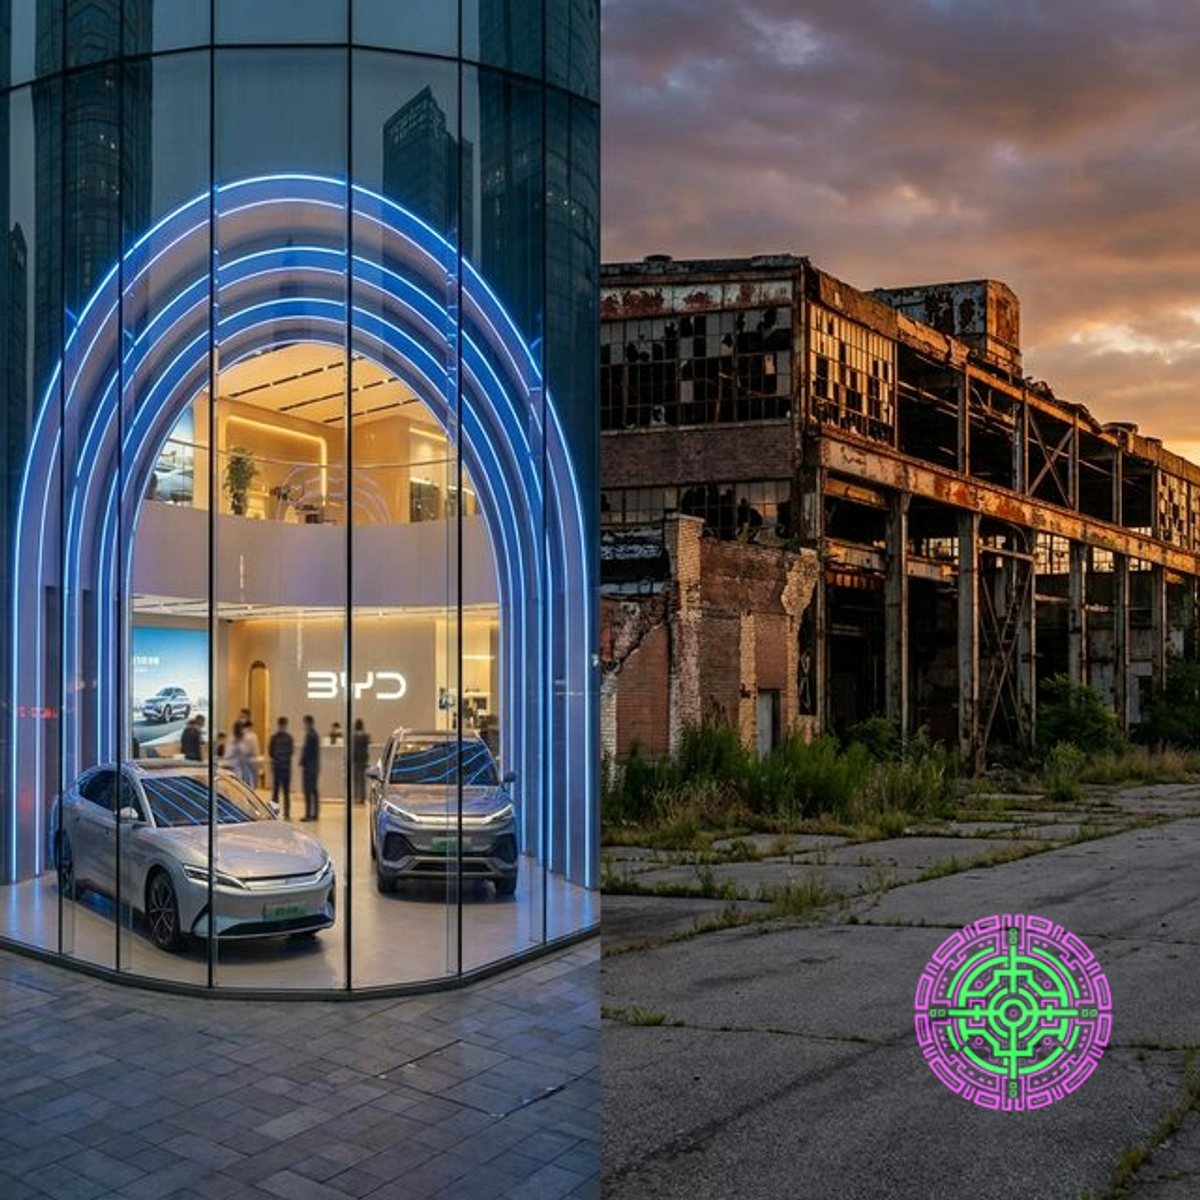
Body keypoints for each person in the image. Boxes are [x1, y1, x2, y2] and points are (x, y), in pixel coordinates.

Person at [268, 716, 294, 819]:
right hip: (286, 768)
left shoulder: (274, 738)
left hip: (277, 767)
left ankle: (274, 813)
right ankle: (287, 814)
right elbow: (291, 752)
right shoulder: (289, 738)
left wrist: (276, 758)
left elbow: (270, 752)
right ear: (286, 725)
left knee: (275, 792)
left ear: (278, 725)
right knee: (286, 792)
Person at [300, 714, 320, 821]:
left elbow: (307, 751)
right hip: (314, 767)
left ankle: (308, 814)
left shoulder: (310, 735)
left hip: (309, 768)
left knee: (308, 791)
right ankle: (315, 813)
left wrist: (301, 762)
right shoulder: (315, 734)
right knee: (314, 791)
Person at [233, 718, 260, 789]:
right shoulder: (252, 735)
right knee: (251, 781)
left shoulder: (246, 736)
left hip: (246, 761)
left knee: (246, 782)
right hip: (251, 761)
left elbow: (244, 750)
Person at [352, 717, 371, 804]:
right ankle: (362, 798)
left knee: (356, 780)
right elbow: (368, 744)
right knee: (363, 780)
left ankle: (356, 797)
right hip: (363, 759)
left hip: (356, 760)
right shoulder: (366, 736)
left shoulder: (353, 736)